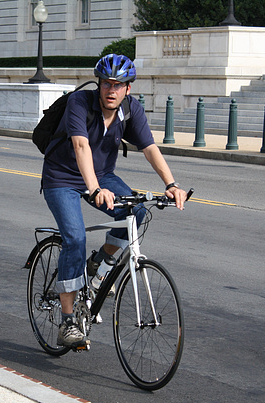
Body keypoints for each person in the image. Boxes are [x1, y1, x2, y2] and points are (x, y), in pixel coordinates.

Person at [41, 53, 188, 349]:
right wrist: (94, 189)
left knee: (137, 213)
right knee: (74, 237)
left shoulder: (131, 110)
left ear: (128, 88)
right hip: (62, 178)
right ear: (98, 84)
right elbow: (80, 145)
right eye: (106, 84)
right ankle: (68, 322)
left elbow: (149, 147)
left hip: (103, 176)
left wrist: (171, 184)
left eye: (118, 85)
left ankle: (99, 264)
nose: (111, 90)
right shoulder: (79, 103)